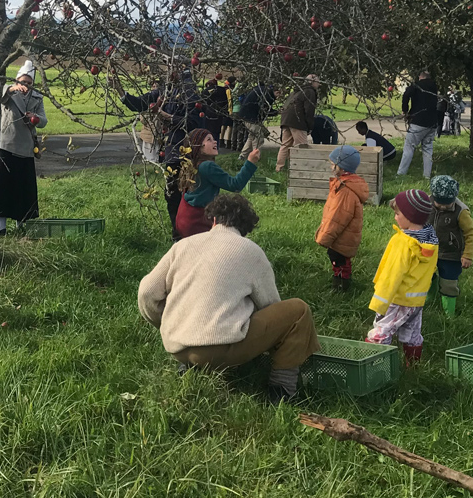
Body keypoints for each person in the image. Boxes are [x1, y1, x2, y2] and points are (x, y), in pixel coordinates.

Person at [138, 192, 321, 403]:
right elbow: (271, 306)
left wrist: (167, 323)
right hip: (217, 350)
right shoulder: (250, 250)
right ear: (245, 229)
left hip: (175, 347)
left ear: (214, 219)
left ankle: (191, 367)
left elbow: (146, 292)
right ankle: (282, 390)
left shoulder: (183, 245)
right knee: (298, 311)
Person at [118, 69, 201, 226]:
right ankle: (177, 231)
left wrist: (164, 115)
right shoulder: (166, 90)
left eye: (171, 66)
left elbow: (192, 123)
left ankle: (190, 230)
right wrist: (119, 88)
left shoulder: (190, 92)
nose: (168, 70)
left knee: (189, 194)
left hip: (187, 152)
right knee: (172, 194)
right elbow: (140, 103)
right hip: (172, 152)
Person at [365, 189, 437, 366]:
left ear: (410, 216)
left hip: (397, 299)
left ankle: (374, 368)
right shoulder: (430, 241)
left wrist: (380, 303)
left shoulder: (404, 243)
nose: (395, 217)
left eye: (398, 214)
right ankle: (412, 367)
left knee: (380, 333)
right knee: (412, 334)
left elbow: (392, 275)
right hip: (416, 301)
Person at [173, 128, 261, 239]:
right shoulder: (207, 166)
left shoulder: (193, 165)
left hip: (185, 218)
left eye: (214, 139)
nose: (215, 141)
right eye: (209, 140)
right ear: (198, 147)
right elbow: (235, 185)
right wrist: (250, 162)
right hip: (198, 222)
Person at [0, 59, 47, 235]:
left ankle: (20, 223)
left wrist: (35, 117)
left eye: (29, 83)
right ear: (17, 81)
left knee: (22, 188)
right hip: (7, 145)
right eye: (23, 82)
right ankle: (2, 227)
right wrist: (12, 89)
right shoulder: (9, 92)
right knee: (4, 187)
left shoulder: (37, 97)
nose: (26, 86)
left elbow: (44, 121)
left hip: (26, 147)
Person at [314, 145, 369, 292]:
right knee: (339, 260)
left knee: (339, 261)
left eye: (333, 164)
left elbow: (337, 218)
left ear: (342, 167)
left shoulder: (345, 191)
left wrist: (324, 238)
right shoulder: (342, 185)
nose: (331, 166)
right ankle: (340, 282)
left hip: (341, 238)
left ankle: (341, 287)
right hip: (342, 237)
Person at [428, 175, 473, 317]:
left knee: (449, 282)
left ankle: (449, 313)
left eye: (447, 204)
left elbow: (470, 233)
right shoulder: (426, 203)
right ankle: (428, 300)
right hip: (428, 250)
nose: (443, 206)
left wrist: (467, 255)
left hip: (451, 253)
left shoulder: (461, 212)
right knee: (426, 277)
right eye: (439, 203)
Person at [397, 69, 441, 178]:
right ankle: (427, 175)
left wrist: (405, 110)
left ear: (420, 77)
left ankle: (401, 173)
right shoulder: (434, 87)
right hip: (432, 123)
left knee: (409, 147)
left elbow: (406, 94)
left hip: (418, 121)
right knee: (427, 149)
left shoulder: (417, 86)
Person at [274, 75, 319, 173]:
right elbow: (309, 110)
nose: (318, 84)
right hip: (298, 121)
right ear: (312, 82)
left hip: (286, 119)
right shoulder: (309, 92)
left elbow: (285, 106)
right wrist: (309, 126)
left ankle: (279, 168)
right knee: (302, 146)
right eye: (317, 82)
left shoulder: (296, 90)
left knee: (285, 145)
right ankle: (299, 168)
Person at [232, 81, 273, 156]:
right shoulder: (266, 94)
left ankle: (243, 155)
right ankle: (256, 157)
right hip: (252, 118)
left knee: (251, 137)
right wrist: (275, 112)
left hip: (245, 116)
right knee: (258, 139)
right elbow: (265, 108)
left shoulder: (256, 90)